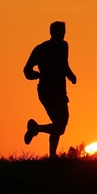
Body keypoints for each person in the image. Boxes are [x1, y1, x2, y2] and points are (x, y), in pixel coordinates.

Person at [23, 21, 77, 158]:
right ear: (60, 33)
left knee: (56, 124)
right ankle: (37, 128)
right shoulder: (62, 46)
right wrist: (71, 76)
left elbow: (27, 70)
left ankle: (52, 157)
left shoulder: (40, 48)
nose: (65, 34)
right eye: (64, 32)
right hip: (57, 91)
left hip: (43, 91)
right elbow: (64, 64)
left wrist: (39, 75)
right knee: (61, 126)